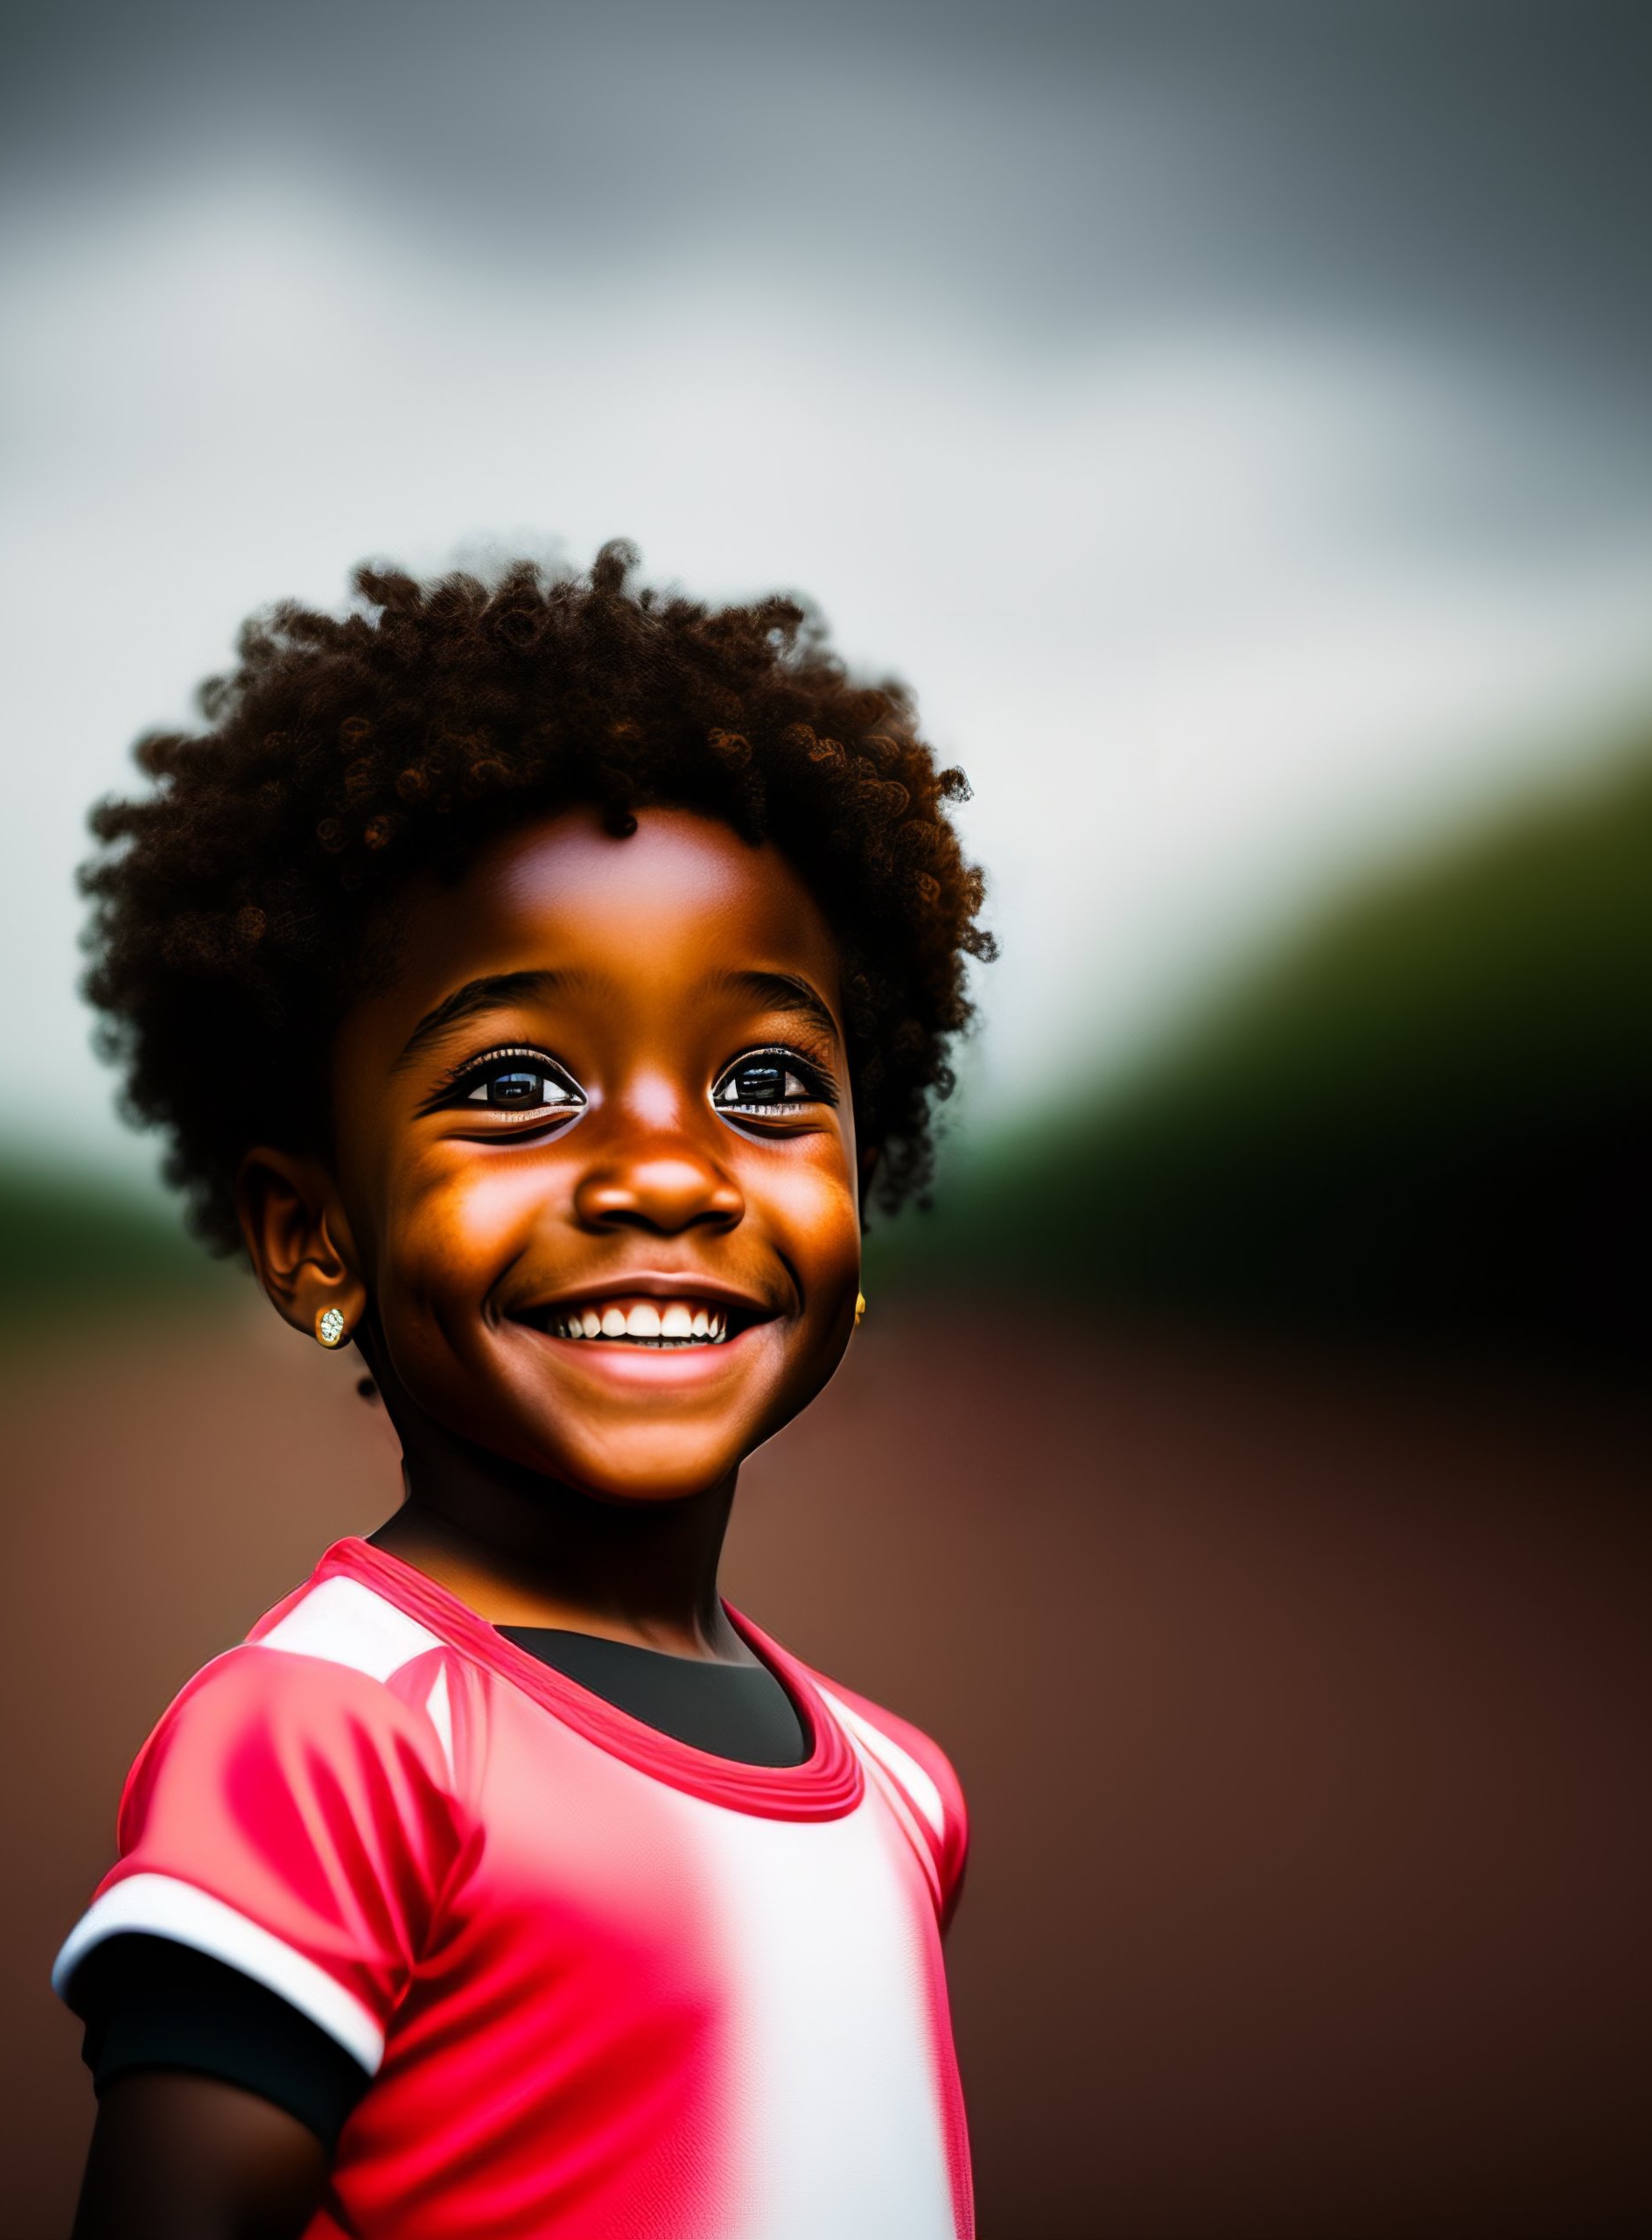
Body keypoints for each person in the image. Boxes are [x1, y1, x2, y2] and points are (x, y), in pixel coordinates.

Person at [54, 545, 994, 2240]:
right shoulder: (335, 1737)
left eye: (767, 1079)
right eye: (517, 1082)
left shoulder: (900, 1785)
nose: (663, 1171)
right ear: (313, 1234)